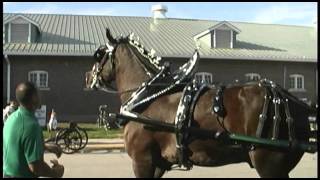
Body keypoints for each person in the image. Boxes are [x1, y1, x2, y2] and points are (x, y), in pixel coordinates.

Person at [3, 82, 64, 178]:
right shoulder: (31, 125)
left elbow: (19, 144)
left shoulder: (12, 118)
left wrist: (44, 146)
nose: (41, 96)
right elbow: (35, 167)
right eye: (38, 93)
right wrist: (56, 173)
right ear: (34, 98)